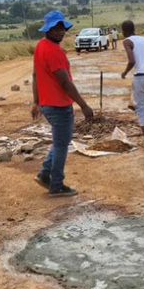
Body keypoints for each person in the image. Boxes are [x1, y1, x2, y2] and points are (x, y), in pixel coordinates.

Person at [31, 10, 94, 198]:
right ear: (47, 29)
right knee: (61, 145)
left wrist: (36, 101)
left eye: (62, 28)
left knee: (60, 142)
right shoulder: (53, 51)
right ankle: (56, 184)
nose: (60, 31)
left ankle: (44, 173)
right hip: (58, 105)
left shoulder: (40, 46)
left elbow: (35, 74)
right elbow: (65, 83)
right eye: (56, 28)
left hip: (47, 104)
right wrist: (83, 105)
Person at [121, 19, 144, 148]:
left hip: (140, 77)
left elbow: (131, 61)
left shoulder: (127, 41)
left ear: (124, 31)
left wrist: (125, 72)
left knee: (140, 108)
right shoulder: (143, 39)